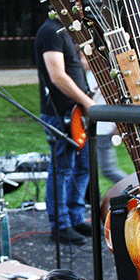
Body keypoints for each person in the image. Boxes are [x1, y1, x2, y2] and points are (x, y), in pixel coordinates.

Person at [36, 17, 94, 245]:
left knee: (84, 166)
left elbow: (77, 64)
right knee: (62, 168)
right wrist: (87, 102)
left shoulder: (67, 31)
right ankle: (60, 225)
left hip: (76, 111)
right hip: (61, 112)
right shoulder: (50, 31)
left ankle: (75, 217)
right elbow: (57, 75)